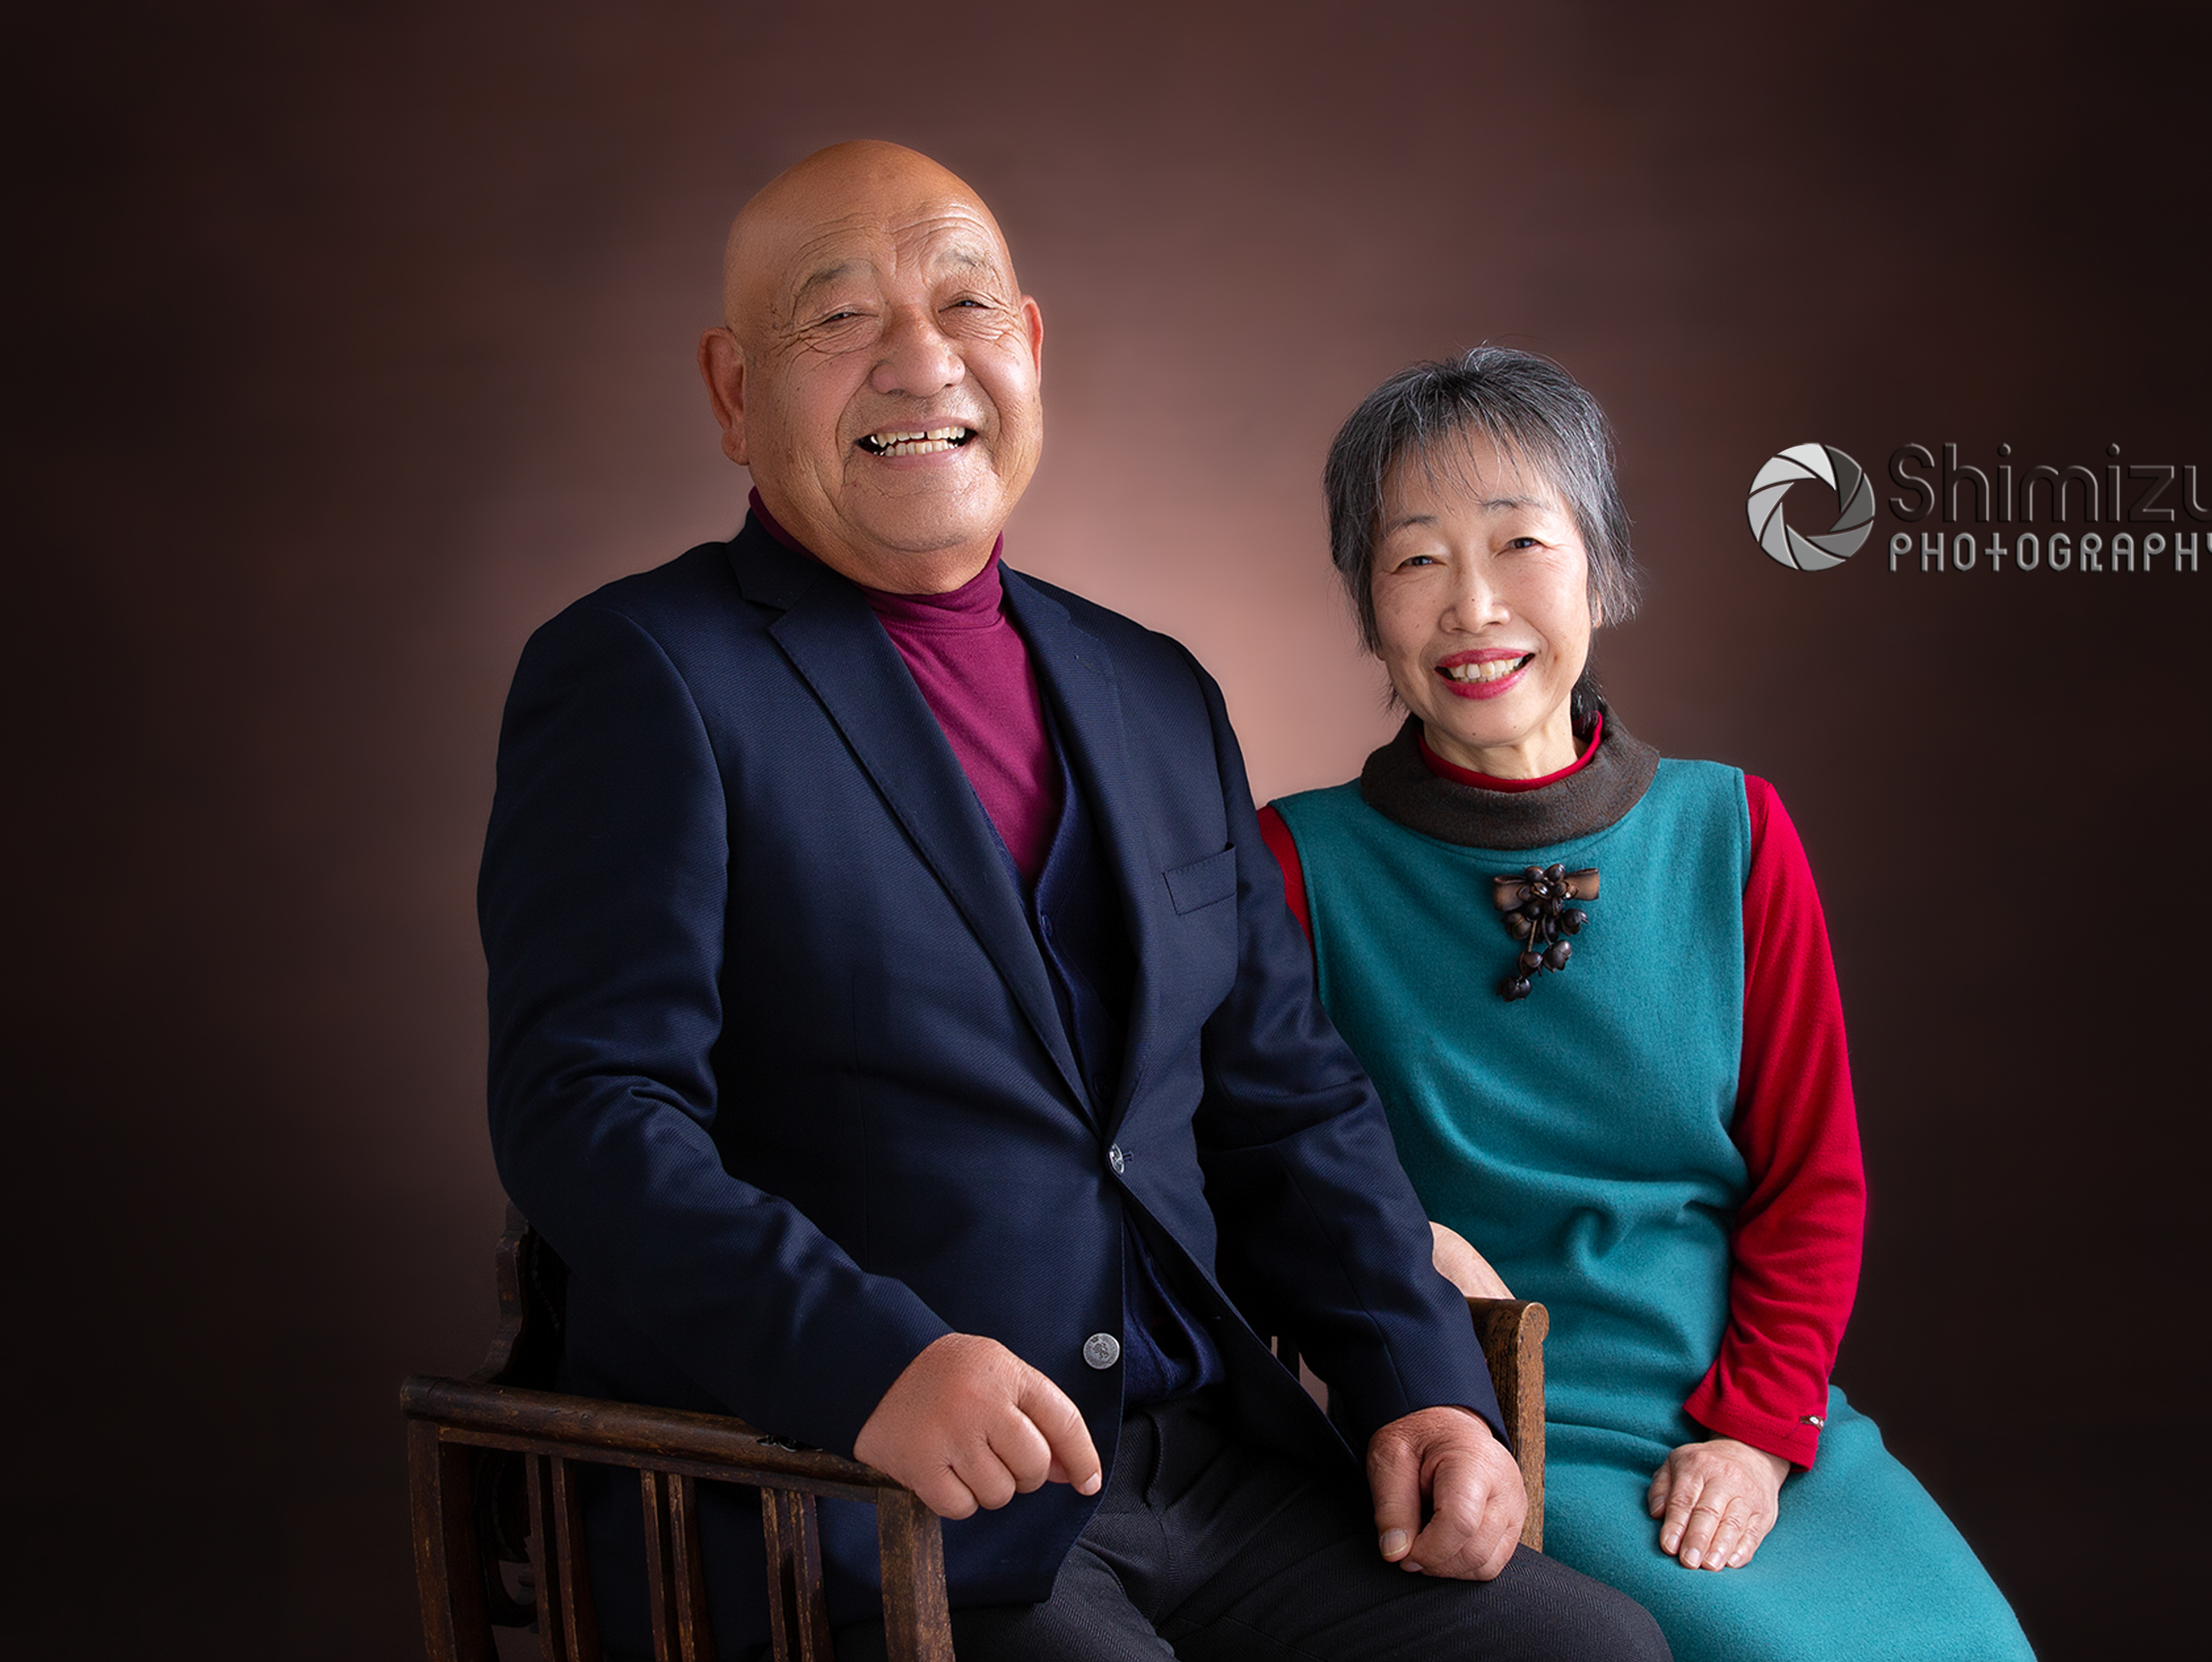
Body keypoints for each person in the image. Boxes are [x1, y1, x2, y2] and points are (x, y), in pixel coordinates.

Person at [479, 146, 1667, 1662]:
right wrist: (870, 1366)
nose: (924, 360)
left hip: (1206, 1475)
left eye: (966, 304)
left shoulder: (1152, 690)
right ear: (732, 391)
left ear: (1028, 349)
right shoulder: (642, 673)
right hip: (846, 1504)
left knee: (1594, 1651)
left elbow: (1286, 1103)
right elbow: (587, 1113)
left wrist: (1419, 1384)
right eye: (838, 318)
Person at [1258, 348, 2039, 1661]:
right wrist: (1410, 1249)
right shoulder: (1299, 863)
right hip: (1486, 1418)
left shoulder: (1733, 831)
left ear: (1602, 568)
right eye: (1416, 560)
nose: (1473, 606)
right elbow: (1254, 1163)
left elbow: (1812, 1182)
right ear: (1368, 608)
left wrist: (1756, 1434)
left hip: (1745, 1406)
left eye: (1521, 544)